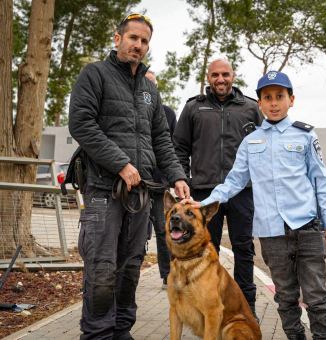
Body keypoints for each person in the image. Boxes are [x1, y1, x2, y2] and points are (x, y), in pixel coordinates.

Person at [187, 71, 326, 340]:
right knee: (285, 297)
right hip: (271, 232)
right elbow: (233, 182)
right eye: (267, 97)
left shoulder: (305, 135)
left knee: (316, 296)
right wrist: (202, 202)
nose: (274, 103)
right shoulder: (250, 142)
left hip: (307, 227)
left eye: (279, 96)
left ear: (291, 100)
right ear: (259, 104)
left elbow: (321, 183)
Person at [69, 13, 189, 340]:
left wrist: (177, 176)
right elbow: (81, 124)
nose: (138, 45)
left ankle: (121, 332)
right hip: (99, 189)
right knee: (102, 267)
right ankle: (96, 335)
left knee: (131, 266)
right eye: (133, 38)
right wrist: (121, 163)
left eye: (144, 41)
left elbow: (161, 138)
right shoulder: (95, 74)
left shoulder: (149, 91)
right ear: (117, 38)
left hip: (140, 193)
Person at [173, 58, 262, 316]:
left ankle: (246, 308)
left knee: (243, 249)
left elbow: (261, 149)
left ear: (233, 76)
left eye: (225, 74)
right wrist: (182, 180)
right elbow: (179, 148)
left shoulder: (250, 108)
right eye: (215, 75)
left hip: (242, 193)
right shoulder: (193, 108)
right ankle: (202, 306)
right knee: (200, 252)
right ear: (208, 78)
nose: (220, 79)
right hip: (203, 195)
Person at [144, 70, 176, 289]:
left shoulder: (167, 113)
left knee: (164, 232)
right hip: (133, 185)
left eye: (152, 83)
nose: (149, 86)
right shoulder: (127, 110)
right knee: (134, 235)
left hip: (158, 185)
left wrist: (173, 178)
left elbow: (171, 147)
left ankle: (168, 276)